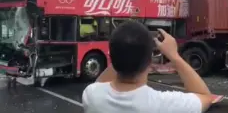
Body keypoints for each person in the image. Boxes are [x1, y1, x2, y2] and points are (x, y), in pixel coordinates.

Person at [82, 21, 214, 113]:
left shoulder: (91, 95)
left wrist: (123, 49)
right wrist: (174, 56)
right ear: (150, 61)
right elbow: (205, 96)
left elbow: (100, 83)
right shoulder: (163, 104)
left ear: (111, 57)